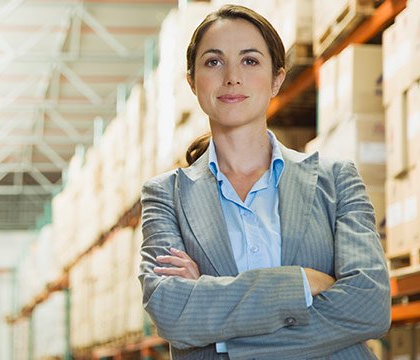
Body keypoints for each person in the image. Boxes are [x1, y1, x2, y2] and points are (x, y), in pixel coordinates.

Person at [138, 4, 391, 359]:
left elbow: (369, 305)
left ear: (277, 79)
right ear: (192, 82)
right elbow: (173, 313)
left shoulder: (336, 180)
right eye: (213, 62)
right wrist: (302, 282)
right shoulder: (166, 195)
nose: (232, 77)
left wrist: (220, 328)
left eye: (250, 61)